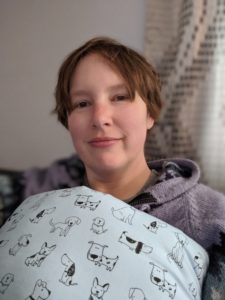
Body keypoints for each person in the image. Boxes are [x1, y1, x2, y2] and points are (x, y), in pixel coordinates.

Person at [0, 37, 224, 299]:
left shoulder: (212, 219)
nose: (100, 118)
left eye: (119, 97)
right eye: (82, 103)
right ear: (67, 120)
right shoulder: (39, 206)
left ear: (150, 113)